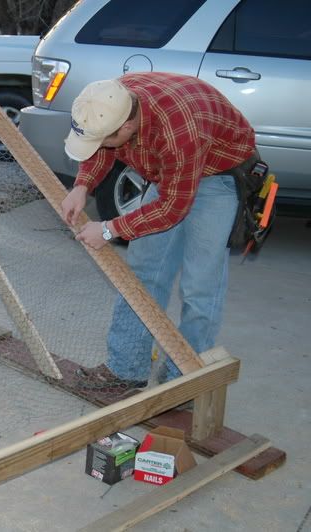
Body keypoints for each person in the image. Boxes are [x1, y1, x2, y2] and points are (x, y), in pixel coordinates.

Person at [59, 72, 257, 391]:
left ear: (126, 127)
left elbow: (172, 208)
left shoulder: (179, 129)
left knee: (200, 285)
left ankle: (185, 378)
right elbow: (101, 147)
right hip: (173, 173)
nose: (99, 145)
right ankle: (126, 369)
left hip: (217, 174)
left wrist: (109, 229)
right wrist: (82, 185)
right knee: (143, 272)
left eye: (105, 139)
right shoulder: (110, 99)